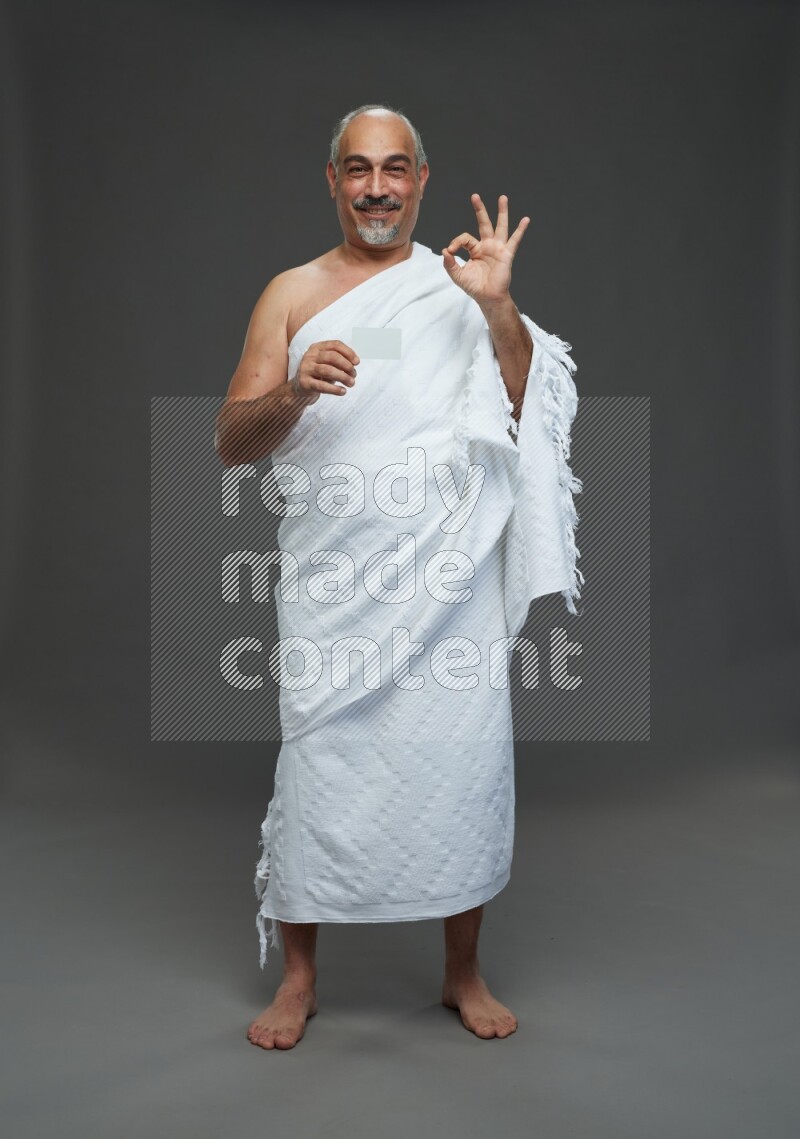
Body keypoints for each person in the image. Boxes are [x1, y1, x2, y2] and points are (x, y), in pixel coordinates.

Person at [215, 103, 583, 1049]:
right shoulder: (291, 294)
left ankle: (461, 970)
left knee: (457, 766)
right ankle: (299, 977)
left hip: (446, 586)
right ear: (331, 181)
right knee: (318, 765)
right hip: (335, 586)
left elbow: (518, 408)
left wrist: (498, 305)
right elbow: (230, 442)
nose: (376, 187)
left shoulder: (459, 290)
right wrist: (296, 391)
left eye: (393, 169)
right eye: (356, 169)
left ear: (421, 180)